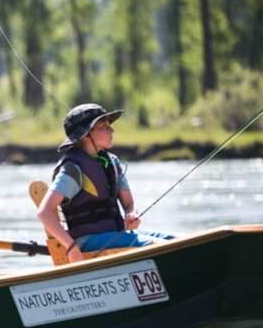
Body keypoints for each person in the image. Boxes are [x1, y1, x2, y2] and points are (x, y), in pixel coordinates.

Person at [36, 103, 172, 263]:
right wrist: (71, 247)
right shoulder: (72, 170)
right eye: (103, 127)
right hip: (87, 242)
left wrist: (131, 214)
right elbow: (44, 213)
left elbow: (129, 203)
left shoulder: (112, 163)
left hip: (116, 235)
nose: (111, 130)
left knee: (173, 240)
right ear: (86, 135)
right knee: (155, 245)